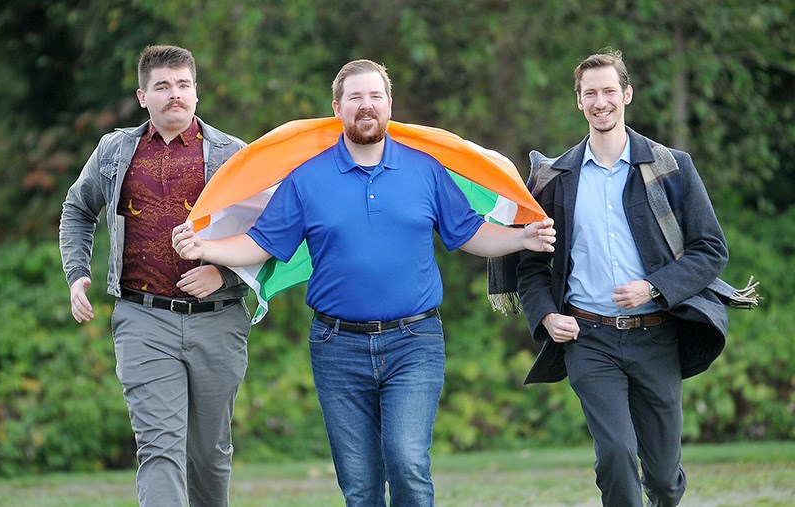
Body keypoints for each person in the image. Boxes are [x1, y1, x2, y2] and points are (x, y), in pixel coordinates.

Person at [172, 59, 556, 506]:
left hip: (416, 341)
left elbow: (468, 233)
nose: (366, 105)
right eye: (355, 97)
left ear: (390, 105)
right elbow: (261, 243)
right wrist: (207, 249)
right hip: (337, 346)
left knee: (408, 462)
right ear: (337, 108)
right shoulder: (307, 177)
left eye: (375, 96)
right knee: (359, 484)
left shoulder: (424, 169)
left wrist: (520, 237)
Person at [514, 50, 730, 506]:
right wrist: (547, 317)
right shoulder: (555, 179)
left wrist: (655, 287)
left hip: (656, 335)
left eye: (609, 90)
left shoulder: (671, 167)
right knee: (615, 454)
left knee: (664, 477)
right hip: (588, 338)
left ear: (626, 94)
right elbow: (531, 267)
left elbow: (711, 250)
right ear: (578, 101)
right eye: (590, 93)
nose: (600, 101)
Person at [59, 45, 250, 507]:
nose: (175, 95)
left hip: (218, 320)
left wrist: (224, 275)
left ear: (196, 92)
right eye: (162, 86)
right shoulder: (115, 150)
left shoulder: (234, 155)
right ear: (143, 96)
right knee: (159, 448)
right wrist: (77, 273)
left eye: (184, 85)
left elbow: (273, 236)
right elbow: (77, 209)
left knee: (209, 455)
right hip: (142, 319)